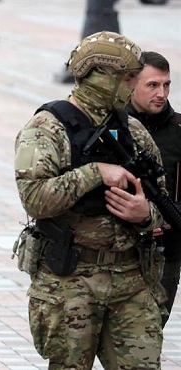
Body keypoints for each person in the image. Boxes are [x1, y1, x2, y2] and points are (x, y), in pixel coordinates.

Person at [14, 31, 167, 369]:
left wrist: (146, 215)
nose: (133, 87)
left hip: (131, 278)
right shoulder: (46, 129)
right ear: (101, 77)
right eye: (128, 79)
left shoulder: (134, 131)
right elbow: (35, 199)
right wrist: (95, 172)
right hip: (70, 281)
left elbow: (163, 204)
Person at [127, 51, 181, 327]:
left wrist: (165, 218)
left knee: (147, 342)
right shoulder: (112, 128)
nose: (162, 93)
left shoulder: (178, 130)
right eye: (152, 85)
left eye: (166, 84)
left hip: (165, 255)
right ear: (131, 84)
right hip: (117, 253)